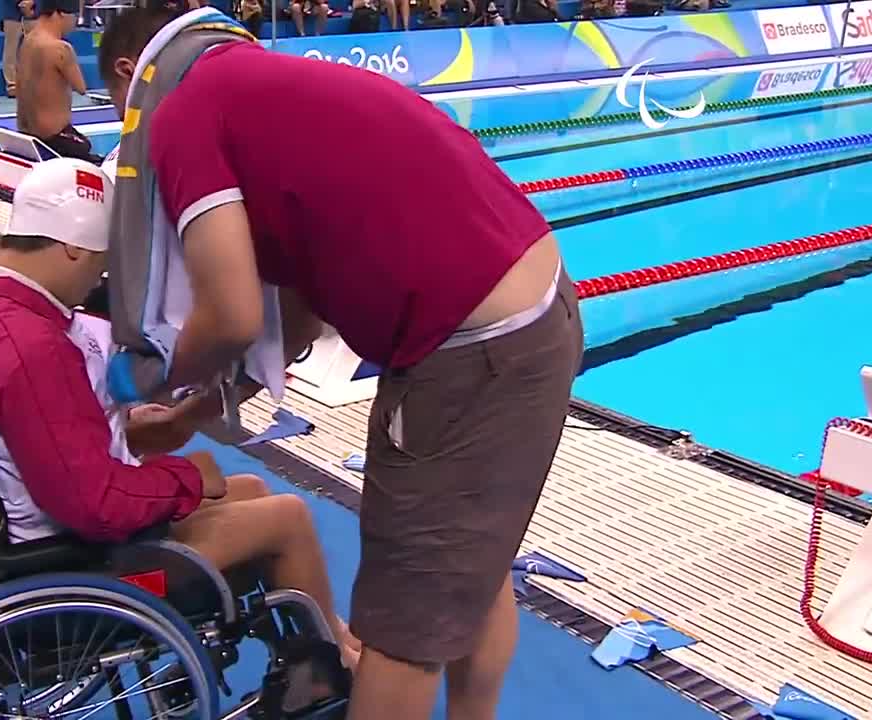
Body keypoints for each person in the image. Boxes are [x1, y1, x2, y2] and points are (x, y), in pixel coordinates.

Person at [98, 9, 583, 720]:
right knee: (472, 569)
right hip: (528, 311)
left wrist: (162, 383)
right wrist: (203, 408)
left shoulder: (178, 112)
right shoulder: (257, 86)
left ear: (128, 74)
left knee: (400, 631)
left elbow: (230, 313)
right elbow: (296, 309)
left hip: (474, 348)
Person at [0, 157, 360, 671]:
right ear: (73, 247)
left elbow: (11, 425)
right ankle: (334, 665)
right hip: (66, 562)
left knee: (253, 490)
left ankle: (326, 630)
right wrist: (185, 478)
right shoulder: (28, 348)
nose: (100, 278)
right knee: (287, 516)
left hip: (8, 524)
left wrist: (116, 425)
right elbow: (96, 504)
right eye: (99, 262)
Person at [16, 0, 100, 161]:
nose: (75, 22)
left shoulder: (27, 40)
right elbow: (81, 87)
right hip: (54, 138)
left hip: (25, 132)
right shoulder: (60, 48)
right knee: (86, 147)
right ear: (59, 14)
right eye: (74, 16)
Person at [1, 0, 37, 97]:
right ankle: (11, 84)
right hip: (12, 12)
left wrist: (31, 2)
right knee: (11, 49)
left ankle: (35, 81)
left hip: (33, 12)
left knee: (35, 48)